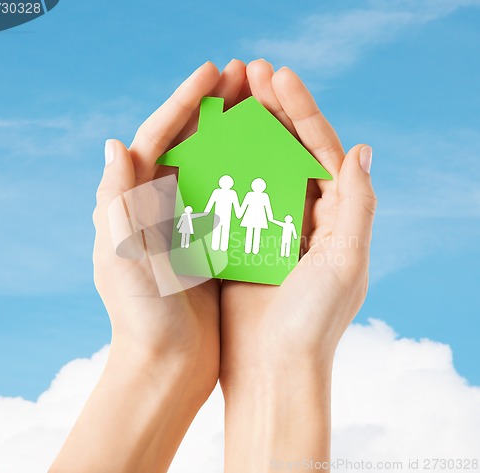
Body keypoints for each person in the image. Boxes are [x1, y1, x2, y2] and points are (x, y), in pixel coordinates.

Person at [50, 59, 376, 473]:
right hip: (215, 230)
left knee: (244, 241)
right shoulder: (227, 195)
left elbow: (246, 205)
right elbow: (226, 205)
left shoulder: (250, 196)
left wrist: (278, 365)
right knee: (221, 238)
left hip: (255, 231)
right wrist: (157, 352)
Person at [204, 174, 241, 251]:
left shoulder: (231, 193)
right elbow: (211, 202)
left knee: (223, 230)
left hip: (225, 216)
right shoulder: (218, 192)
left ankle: (221, 246)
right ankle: (217, 246)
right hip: (220, 215)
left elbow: (236, 204)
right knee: (220, 230)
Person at [238, 177, 274, 254]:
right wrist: (240, 213)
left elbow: (267, 207)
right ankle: (249, 249)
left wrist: (270, 217)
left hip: (258, 217)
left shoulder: (264, 196)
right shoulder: (250, 195)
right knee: (250, 232)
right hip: (251, 215)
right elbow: (244, 205)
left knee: (256, 233)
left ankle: (254, 250)